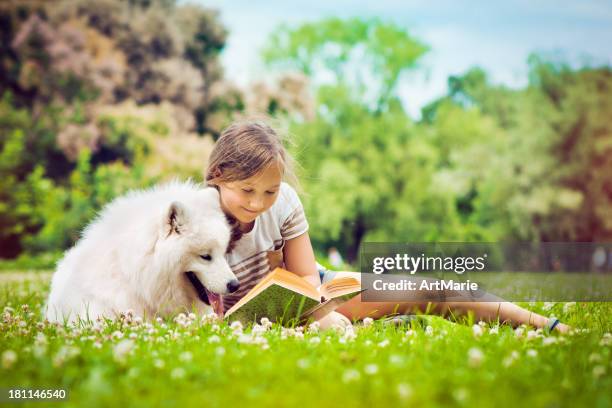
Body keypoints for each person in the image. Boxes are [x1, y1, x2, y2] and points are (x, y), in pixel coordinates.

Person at [205, 120, 570, 333]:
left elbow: (308, 284)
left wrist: (322, 319)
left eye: (269, 190)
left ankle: (546, 326)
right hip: (255, 324)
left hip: (312, 304)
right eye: (246, 191)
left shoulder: (283, 201)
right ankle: (382, 324)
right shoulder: (194, 220)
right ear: (218, 176)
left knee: (432, 290)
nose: (257, 203)